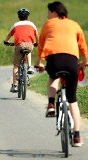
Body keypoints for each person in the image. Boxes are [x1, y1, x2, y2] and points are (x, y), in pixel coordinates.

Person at [35, 1, 88, 147]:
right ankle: (77, 136)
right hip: (72, 61)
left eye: (48, 12)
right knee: (72, 101)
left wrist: (38, 62)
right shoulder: (74, 24)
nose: (47, 15)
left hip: (54, 59)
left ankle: (51, 104)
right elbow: (83, 46)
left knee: (53, 77)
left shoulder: (48, 24)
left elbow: (41, 44)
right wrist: (85, 62)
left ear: (54, 12)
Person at [4, 8, 38, 92]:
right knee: (28, 50)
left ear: (18, 17)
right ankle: (29, 67)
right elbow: (37, 35)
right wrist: (37, 42)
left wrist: (6, 41)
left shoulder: (16, 25)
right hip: (29, 45)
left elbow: (9, 35)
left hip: (19, 45)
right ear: (28, 17)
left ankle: (14, 85)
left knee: (16, 66)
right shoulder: (32, 24)